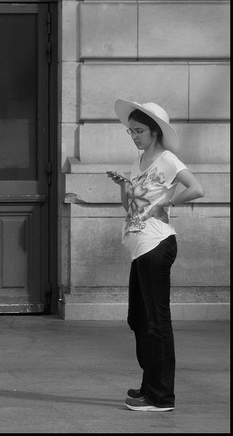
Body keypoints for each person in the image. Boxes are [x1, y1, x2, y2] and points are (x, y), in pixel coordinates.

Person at [106, 100, 204, 412]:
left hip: (157, 245)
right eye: (130, 131)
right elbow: (131, 208)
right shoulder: (140, 161)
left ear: (154, 131)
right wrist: (124, 185)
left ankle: (161, 397)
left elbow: (197, 188)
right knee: (138, 318)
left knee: (157, 320)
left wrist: (166, 203)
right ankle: (150, 385)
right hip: (140, 248)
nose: (133, 135)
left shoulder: (168, 159)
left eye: (138, 131)